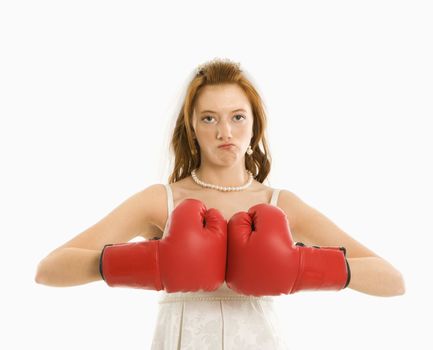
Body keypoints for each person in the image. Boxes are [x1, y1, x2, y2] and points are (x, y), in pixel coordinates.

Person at [35, 57, 406, 349]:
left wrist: (299, 267)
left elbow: (392, 280)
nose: (224, 132)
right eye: (209, 118)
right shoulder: (162, 201)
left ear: (255, 126)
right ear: (192, 128)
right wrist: (148, 263)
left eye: (237, 117)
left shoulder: (279, 205)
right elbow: (49, 270)